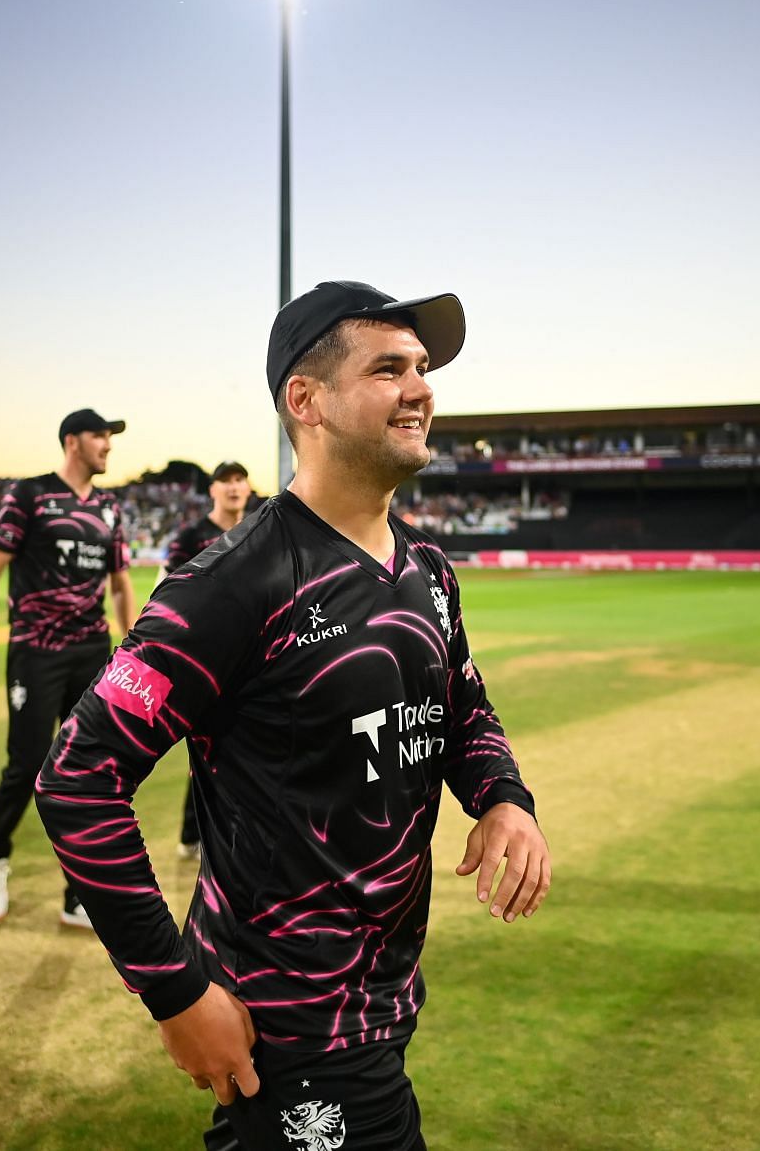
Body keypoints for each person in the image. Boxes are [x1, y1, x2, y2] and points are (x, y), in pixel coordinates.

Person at [36, 283, 551, 1150]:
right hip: (287, 1020)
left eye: (422, 368)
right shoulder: (231, 582)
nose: (420, 388)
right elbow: (78, 780)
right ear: (305, 401)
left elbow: (463, 702)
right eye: (388, 368)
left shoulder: (426, 566)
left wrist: (503, 794)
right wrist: (176, 992)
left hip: (383, 997)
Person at [0, 408, 138, 927]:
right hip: (35, 652)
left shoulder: (108, 508)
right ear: (73, 441)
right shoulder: (30, 495)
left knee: (90, 770)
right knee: (28, 763)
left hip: (91, 653)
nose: (108, 445)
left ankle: (78, 892)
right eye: (100, 436)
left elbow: (121, 583)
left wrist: (128, 650)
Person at [159, 461, 253, 861]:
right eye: (225, 481)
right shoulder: (191, 537)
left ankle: (230, 835)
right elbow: (165, 595)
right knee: (205, 749)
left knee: (248, 749)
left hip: (254, 659)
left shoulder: (260, 530)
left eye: (238, 480)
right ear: (212, 490)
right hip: (204, 660)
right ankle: (194, 836)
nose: (233, 488)